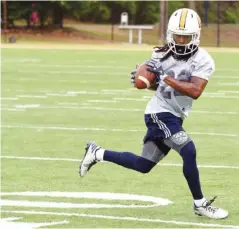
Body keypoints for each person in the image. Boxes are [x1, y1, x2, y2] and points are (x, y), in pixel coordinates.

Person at [79, 8, 228, 219]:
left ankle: (97, 153)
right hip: (159, 114)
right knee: (188, 150)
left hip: (175, 115)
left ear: (195, 37)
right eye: (178, 36)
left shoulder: (203, 59)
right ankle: (200, 204)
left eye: (186, 37)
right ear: (170, 34)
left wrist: (165, 77)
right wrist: (146, 81)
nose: (181, 40)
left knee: (144, 165)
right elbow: (156, 84)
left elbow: (195, 91)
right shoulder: (160, 54)